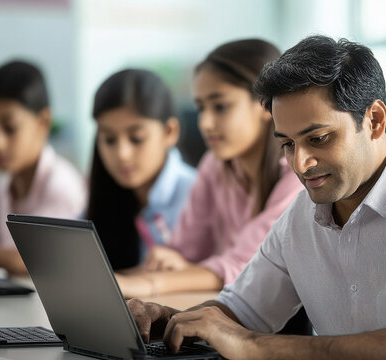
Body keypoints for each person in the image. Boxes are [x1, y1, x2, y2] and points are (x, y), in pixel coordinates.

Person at [127, 35, 386, 360]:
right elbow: (239, 313)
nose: (301, 163)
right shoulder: (303, 216)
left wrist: (250, 347)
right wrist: (166, 321)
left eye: (319, 138)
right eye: (286, 144)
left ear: (375, 120)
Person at [115, 39, 303, 298]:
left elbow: (247, 265)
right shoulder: (214, 165)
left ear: (265, 103)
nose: (205, 123)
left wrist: (146, 284)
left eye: (220, 107)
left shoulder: (296, 172)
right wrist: (168, 263)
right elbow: (182, 250)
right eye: (201, 108)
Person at [85, 69, 196, 271]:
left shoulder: (198, 193)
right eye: (109, 139)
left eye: (136, 138)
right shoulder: (105, 193)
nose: (122, 154)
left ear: (170, 132)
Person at [0, 60, 86, 274]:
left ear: (43, 122)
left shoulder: (61, 187)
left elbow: (40, 261)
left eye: (9, 128)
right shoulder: (2, 191)